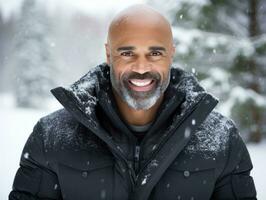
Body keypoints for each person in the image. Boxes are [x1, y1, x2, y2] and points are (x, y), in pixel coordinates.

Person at [9, 4, 257, 200]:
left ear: (171, 53)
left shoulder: (221, 140)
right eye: (127, 53)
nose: (141, 67)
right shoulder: (51, 137)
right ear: (108, 54)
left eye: (155, 53)